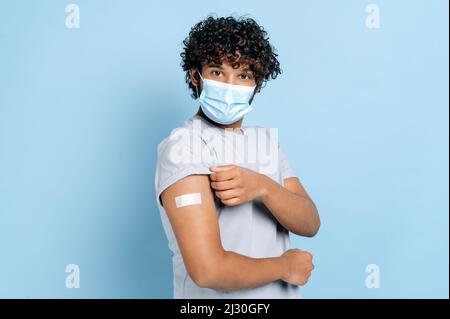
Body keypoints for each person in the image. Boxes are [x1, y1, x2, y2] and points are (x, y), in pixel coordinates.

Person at [154, 16, 320, 298]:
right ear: (197, 76)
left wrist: (263, 187)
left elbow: (309, 222)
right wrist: (284, 267)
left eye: (243, 75)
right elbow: (208, 270)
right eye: (218, 72)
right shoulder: (183, 148)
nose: (230, 86)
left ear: (257, 85)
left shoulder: (264, 141)